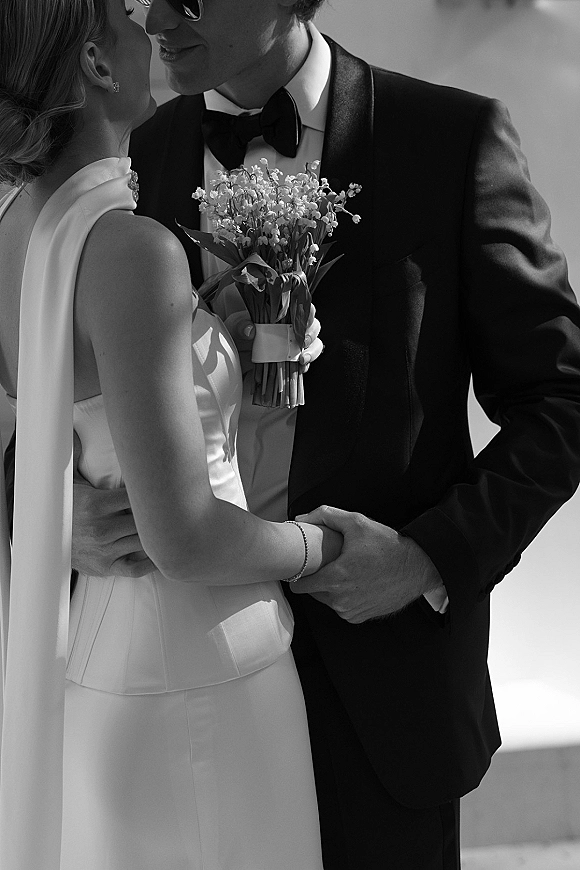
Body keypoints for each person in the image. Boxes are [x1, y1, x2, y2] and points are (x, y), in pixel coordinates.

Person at [17, 0, 580, 869]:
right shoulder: (124, 158)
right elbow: (57, 380)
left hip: (385, 704)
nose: (158, 12)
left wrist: (426, 559)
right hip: (174, 682)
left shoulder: (450, 138)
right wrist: (53, 510)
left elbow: (563, 401)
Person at [0, 1, 344, 868]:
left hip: (100, 662)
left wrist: (217, 333)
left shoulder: (13, 233)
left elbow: (84, 401)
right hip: (207, 671)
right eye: (120, 14)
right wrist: (326, 547)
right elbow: (185, 537)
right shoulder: (133, 251)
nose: (148, 19)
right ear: (95, 64)